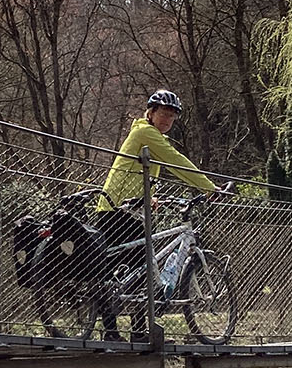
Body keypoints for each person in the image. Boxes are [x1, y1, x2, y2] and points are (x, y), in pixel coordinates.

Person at [93, 89, 220, 254]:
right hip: (119, 210)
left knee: (133, 269)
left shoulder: (150, 134)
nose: (167, 120)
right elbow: (175, 161)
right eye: (164, 114)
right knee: (137, 270)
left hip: (128, 209)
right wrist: (209, 188)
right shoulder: (145, 132)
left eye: (172, 117)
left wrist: (148, 196)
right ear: (151, 112)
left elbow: (140, 171)